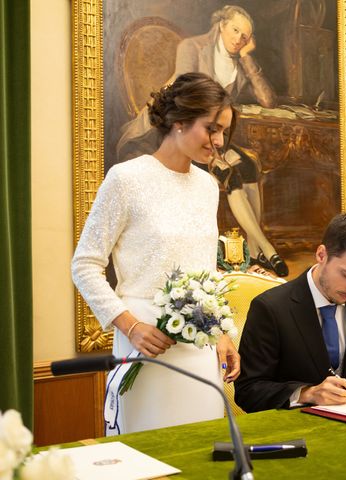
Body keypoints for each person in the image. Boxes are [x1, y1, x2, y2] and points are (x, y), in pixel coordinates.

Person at [72, 72, 241, 434]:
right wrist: (131, 326)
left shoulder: (208, 187)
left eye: (224, 131)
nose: (219, 141)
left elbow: (206, 269)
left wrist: (221, 334)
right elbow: (84, 265)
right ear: (179, 121)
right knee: (146, 451)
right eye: (211, 128)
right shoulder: (126, 179)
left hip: (199, 348)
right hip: (144, 345)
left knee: (201, 449)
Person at [117, 5, 289, 277]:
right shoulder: (192, 47)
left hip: (206, 134)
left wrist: (246, 58)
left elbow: (268, 100)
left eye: (246, 37)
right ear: (220, 25)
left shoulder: (238, 63)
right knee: (228, 171)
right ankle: (266, 250)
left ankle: (257, 251)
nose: (239, 39)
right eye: (235, 30)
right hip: (176, 133)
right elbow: (188, 98)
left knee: (248, 166)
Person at [234, 212, 346, 413]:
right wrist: (306, 393)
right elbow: (248, 391)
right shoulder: (270, 308)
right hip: (296, 432)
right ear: (321, 255)